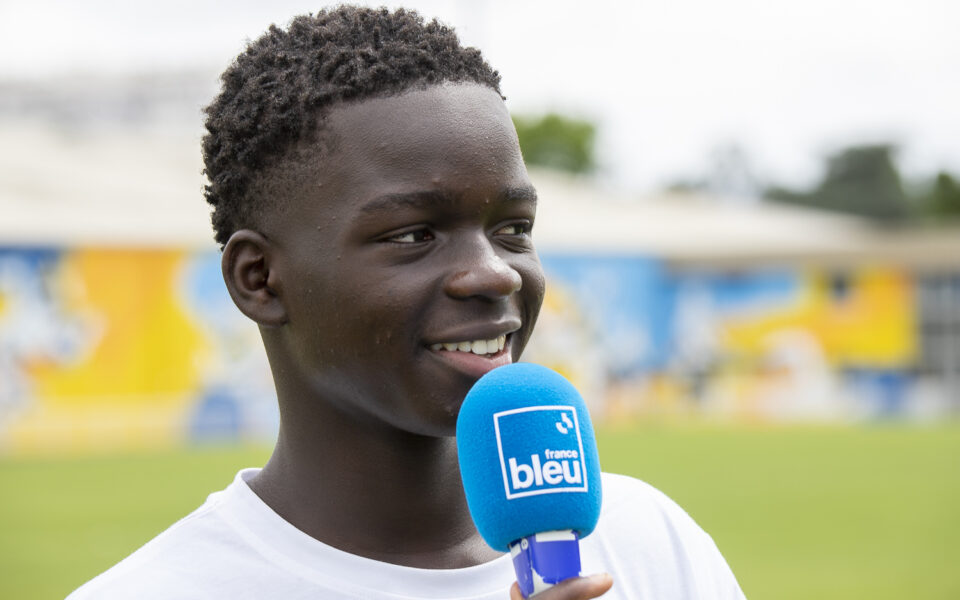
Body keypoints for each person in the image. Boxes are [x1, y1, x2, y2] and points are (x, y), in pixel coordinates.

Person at [68, 7, 745, 599]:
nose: (493, 274)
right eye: (414, 235)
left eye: (513, 230)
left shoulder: (650, 544)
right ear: (260, 279)